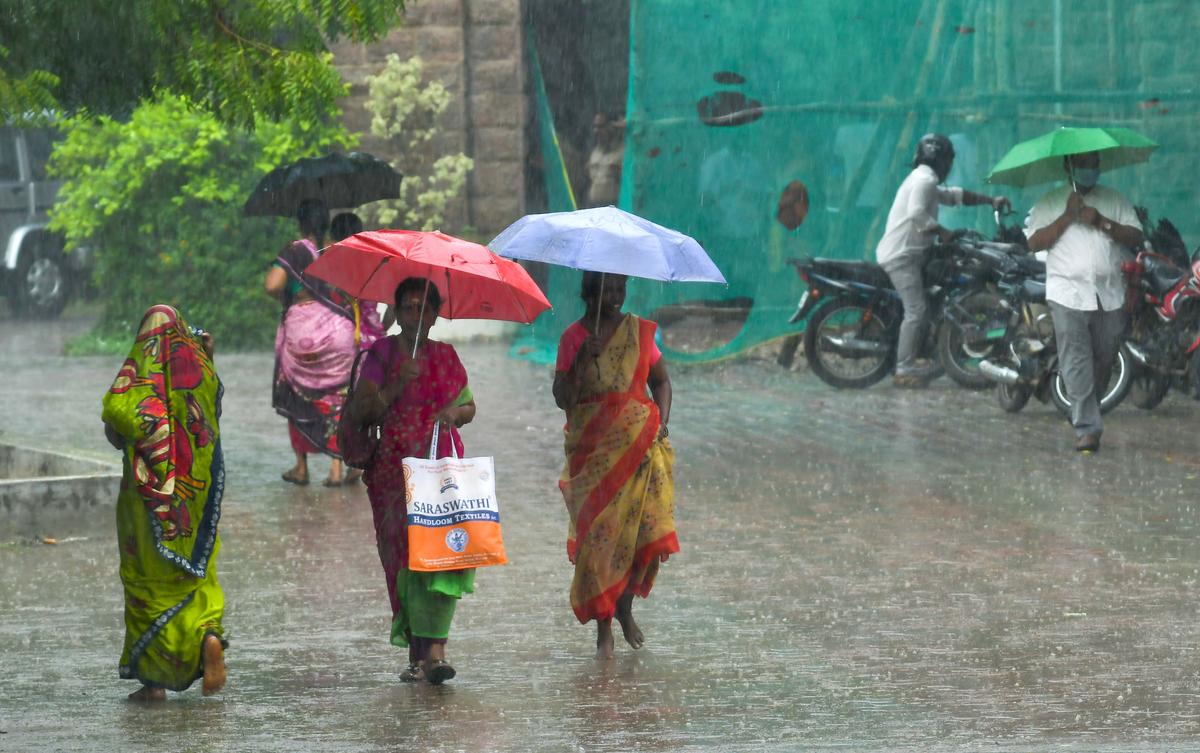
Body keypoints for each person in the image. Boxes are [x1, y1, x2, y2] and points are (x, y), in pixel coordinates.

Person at [342, 277, 477, 684]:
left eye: (425, 308)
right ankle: (419, 654)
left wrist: (454, 416)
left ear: (436, 315)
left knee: (442, 555)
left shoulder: (447, 357)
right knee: (402, 560)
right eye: (408, 307)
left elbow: (469, 405)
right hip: (392, 475)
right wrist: (399, 380)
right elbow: (362, 412)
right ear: (396, 312)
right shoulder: (380, 354)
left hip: (440, 469)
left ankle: (436, 651)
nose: (416, 315)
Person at [101, 305, 227, 701]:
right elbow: (212, 422)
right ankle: (208, 633)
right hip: (193, 501)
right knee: (196, 574)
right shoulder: (201, 372)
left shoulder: (138, 380)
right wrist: (207, 356)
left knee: (146, 583)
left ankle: (153, 684)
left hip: (146, 505)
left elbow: (115, 429)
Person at [552, 272, 678, 659]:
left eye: (621, 288)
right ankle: (604, 627)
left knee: (640, 535)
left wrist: (662, 421)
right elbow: (562, 398)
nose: (616, 296)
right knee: (601, 540)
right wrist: (580, 362)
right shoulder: (573, 338)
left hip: (639, 452)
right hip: (593, 455)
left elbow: (662, 382)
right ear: (589, 292)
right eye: (608, 289)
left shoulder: (638, 332)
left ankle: (624, 606)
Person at [1025, 150, 1143, 452]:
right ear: (1069, 166)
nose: (1090, 169)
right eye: (1083, 163)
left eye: (1094, 163)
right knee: (1076, 358)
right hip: (1067, 293)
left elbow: (1134, 236)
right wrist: (1067, 216)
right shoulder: (1050, 201)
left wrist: (1102, 221)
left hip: (1109, 293)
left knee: (1105, 356)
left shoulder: (1113, 199)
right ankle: (1087, 429)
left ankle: (1087, 409)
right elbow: (1034, 242)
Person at [876, 133, 1010, 386]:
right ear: (943, 160)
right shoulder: (925, 180)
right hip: (902, 257)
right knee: (916, 310)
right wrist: (943, 232)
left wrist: (989, 200)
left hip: (911, 253)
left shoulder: (923, 178)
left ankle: (923, 349)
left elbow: (953, 196)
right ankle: (903, 369)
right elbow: (916, 213)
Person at [265, 199, 369, 486]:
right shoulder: (335, 250)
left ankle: (301, 467)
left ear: (300, 222)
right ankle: (336, 468)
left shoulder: (294, 250)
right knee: (338, 398)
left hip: (305, 334)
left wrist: (288, 297)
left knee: (296, 392)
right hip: (341, 334)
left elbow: (272, 285)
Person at [330, 211, 387, 342]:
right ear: (359, 234)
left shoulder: (326, 265)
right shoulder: (370, 266)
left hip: (332, 338)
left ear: (333, 235)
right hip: (367, 344)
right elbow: (372, 313)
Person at [585, 112, 625, 208]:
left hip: (616, 209)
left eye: (601, 127)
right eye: (595, 127)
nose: (596, 131)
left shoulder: (625, 152)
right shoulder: (595, 152)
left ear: (614, 127)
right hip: (594, 208)